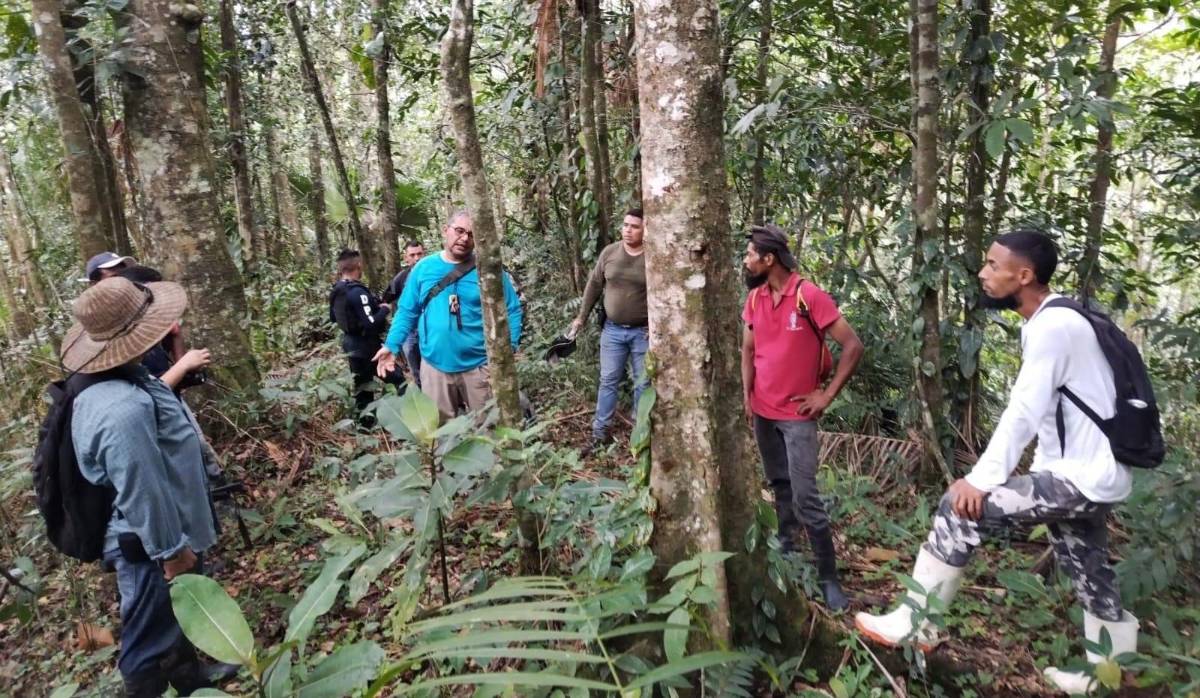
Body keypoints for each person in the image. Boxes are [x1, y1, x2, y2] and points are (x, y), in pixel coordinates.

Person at [855, 230, 1137, 694]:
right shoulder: (1057, 319)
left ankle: (918, 623)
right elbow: (1057, 415)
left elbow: (1024, 411)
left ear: (1023, 276)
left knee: (959, 508)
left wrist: (981, 479)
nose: (983, 274)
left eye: (992, 265)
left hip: (1083, 478)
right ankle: (1108, 675)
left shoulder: (1052, 327)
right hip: (1092, 476)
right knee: (1089, 569)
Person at [61, 277, 233, 696]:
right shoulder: (120, 409)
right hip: (148, 541)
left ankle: (190, 682)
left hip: (169, 526)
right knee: (146, 640)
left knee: (177, 616)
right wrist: (171, 551)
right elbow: (141, 485)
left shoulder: (133, 376)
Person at [741, 224, 864, 611]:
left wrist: (826, 395)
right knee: (779, 483)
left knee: (806, 493)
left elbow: (852, 346)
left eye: (749, 255)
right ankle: (787, 547)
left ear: (769, 258)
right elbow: (748, 350)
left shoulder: (808, 296)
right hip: (763, 411)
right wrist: (747, 395)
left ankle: (828, 577)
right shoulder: (755, 299)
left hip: (797, 415)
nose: (745, 261)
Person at [374, 211, 523, 421]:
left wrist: (511, 345)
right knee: (441, 433)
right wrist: (392, 345)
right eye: (459, 231)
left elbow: (512, 308)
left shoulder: (487, 269)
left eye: (471, 234)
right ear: (446, 230)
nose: (464, 238)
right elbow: (407, 310)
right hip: (435, 366)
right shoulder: (424, 268)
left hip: (479, 366)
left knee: (490, 430)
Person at [570, 208, 648, 454]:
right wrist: (580, 318)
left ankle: (641, 435)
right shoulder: (610, 253)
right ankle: (600, 433)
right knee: (608, 380)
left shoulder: (654, 257)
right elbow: (594, 284)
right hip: (612, 331)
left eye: (634, 226)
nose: (628, 230)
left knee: (643, 383)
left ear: (646, 228)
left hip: (642, 333)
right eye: (625, 225)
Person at [329, 249, 403, 425]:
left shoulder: (337, 290)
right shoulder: (357, 292)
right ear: (358, 265)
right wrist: (384, 309)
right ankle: (406, 418)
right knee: (399, 380)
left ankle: (365, 427)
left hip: (349, 345)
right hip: (366, 345)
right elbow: (371, 324)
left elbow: (333, 317)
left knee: (363, 387)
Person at [382, 240, 428, 388]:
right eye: (412, 255)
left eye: (419, 254)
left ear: (425, 254)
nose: (417, 258)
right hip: (410, 331)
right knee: (416, 368)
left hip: (429, 328)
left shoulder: (434, 273)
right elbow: (386, 298)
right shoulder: (401, 278)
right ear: (406, 258)